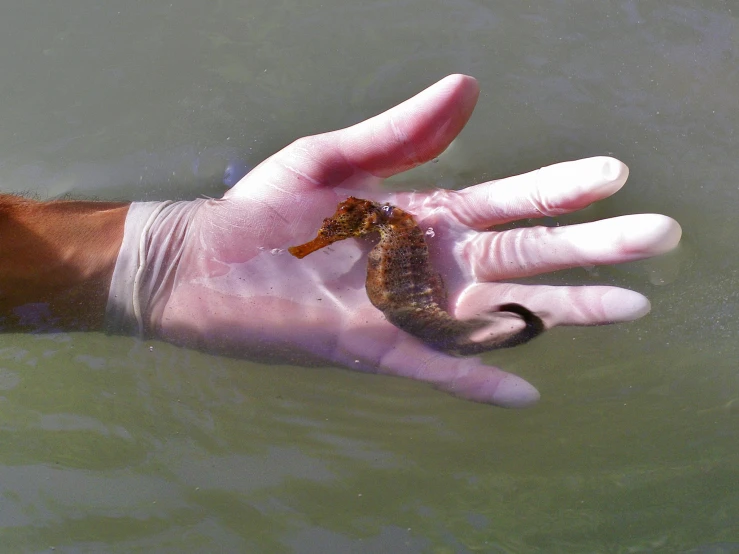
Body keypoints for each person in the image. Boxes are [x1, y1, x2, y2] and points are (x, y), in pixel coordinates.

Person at [0, 74, 681, 408]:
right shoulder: (387, 241)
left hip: (405, 280)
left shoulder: (395, 243)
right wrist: (144, 267)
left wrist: (136, 266)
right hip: (403, 280)